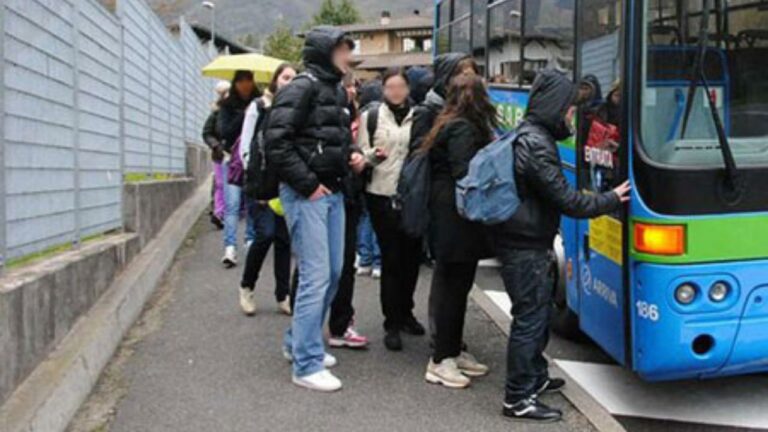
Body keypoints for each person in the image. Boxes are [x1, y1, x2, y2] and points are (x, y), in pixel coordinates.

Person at [495, 70, 630, 422]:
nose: (572, 116)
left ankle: (535, 378)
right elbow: (568, 200)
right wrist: (610, 199)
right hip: (524, 246)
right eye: (569, 109)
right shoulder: (536, 145)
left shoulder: (533, 136)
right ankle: (518, 397)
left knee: (537, 314)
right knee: (529, 318)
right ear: (555, 107)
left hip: (525, 240)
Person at [265, 26, 361, 392]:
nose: (346, 55)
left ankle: (297, 343)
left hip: (332, 192)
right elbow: (277, 143)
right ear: (324, 51)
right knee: (316, 276)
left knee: (333, 273)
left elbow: (338, 138)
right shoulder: (301, 87)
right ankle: (306, 363)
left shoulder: (335, 89)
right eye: (341, 48)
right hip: (309, 195)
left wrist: (351, 154)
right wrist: (307, 184)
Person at [419, 75, 496, 388]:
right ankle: (440, 360)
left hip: (451, 215)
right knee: (453, 289)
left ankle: (452, 350)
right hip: (455, 218)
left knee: (457, 287)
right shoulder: (463, 127)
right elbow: (465, 172)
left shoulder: (449, 122)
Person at [410, 52, 478, 348]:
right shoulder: (431, 111)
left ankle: (451, 340)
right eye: (462, 73)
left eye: (473, 72)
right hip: (443, 201)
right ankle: (442, 342)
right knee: (446, 275)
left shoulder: (460, 112)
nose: (470, 78)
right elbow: (418, 155)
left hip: (456, 202)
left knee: (457, 277)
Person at [357, 67, 423, 352]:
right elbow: (360, 156)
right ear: (383, 90)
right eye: (390, 87)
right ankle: (391, 322)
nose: (395, 92)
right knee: (391, 259)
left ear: (408, 89)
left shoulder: (419, 116)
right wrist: (372, 156)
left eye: (400, 87)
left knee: (411, 258)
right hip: (381, 196)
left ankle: (407, 312)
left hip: (412, 197)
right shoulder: (371, 118)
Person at [238, 64, 298, 316]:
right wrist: (254, 176)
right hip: (261, 183)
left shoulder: (295, 108)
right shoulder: (258, 107)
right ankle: (246, 286)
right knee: (265, 235)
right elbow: (245, 145)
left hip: (286, 182)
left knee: (284, 240)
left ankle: (282, 294)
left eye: (294, 79)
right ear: (275, 80)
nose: (289, 82)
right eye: (285, 77)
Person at [327, 71, 370, 350]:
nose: (352, 91)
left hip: (351, 194)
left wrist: (361, 156)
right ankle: (301, 333)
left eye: (353, 86)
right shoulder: (327, 113)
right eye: (346, 86)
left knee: (344, 264)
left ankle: (341, 325)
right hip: (328, 194)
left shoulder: (357, 115)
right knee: (322, 268)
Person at [218, 70, 260, 268]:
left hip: (253, 160)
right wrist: (243, 116)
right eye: (241, 81)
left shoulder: (260, 103)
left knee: (252, 202)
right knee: (232, 203)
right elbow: (223, 132)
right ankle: (230, 246)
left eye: (248, 80)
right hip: (232, 161)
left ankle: (251, 240)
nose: (245, 85)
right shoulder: (226, 106)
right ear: (235, 83)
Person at [202, 81, 230, 230]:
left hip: (236, 155)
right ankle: (219, 213)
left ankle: (234, 210)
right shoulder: (216, 114)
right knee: (220, 184)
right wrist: (216, 145)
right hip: (220, 155)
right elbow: (207, 133)